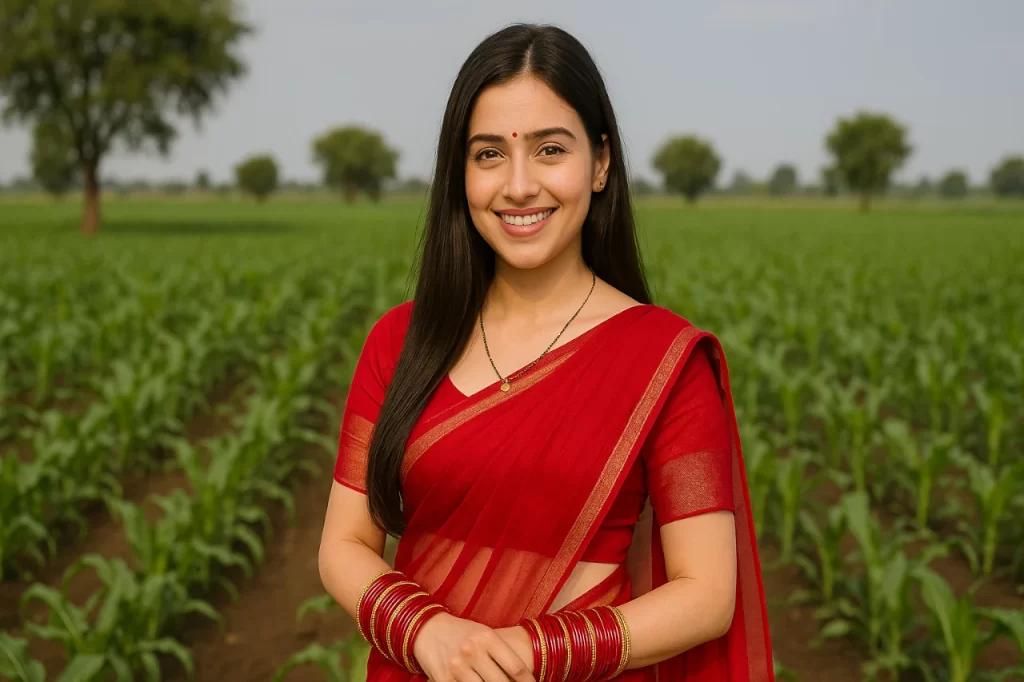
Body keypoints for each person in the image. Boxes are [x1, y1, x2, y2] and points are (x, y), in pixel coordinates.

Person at [319, 23, 774, 682]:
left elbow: (707, 594)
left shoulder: (665, 362)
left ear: (601, 163)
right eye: (488, 154)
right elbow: (343, 544)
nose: (519, 186)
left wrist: (529, 654)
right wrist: (428, 632)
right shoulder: (401, 342)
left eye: (550, 149)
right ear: (460, 173)